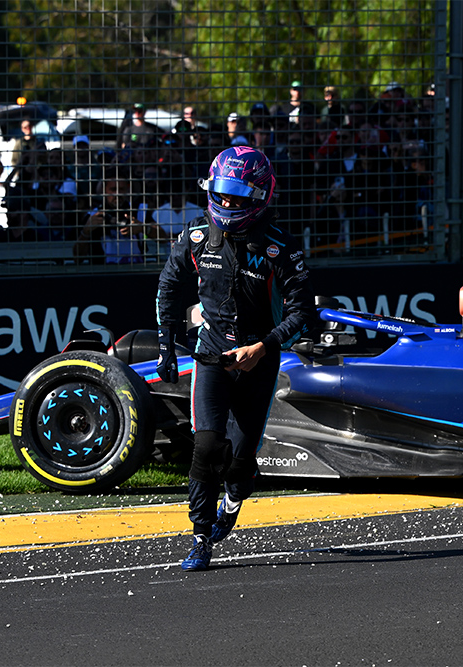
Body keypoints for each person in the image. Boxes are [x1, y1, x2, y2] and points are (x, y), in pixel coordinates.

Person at [156, 146, 317, 571]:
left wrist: (263, 346)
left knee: (242, 459)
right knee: (206, 445)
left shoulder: (280, 248)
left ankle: (234, 499)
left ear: (260, 198)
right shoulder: (194, 235)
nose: (227, 206)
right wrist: (164, 346)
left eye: (237, 199)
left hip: (259, 360)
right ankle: (199, 536)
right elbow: (168, 288)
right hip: (210, 356)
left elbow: (304, 314)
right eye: (221, 197)